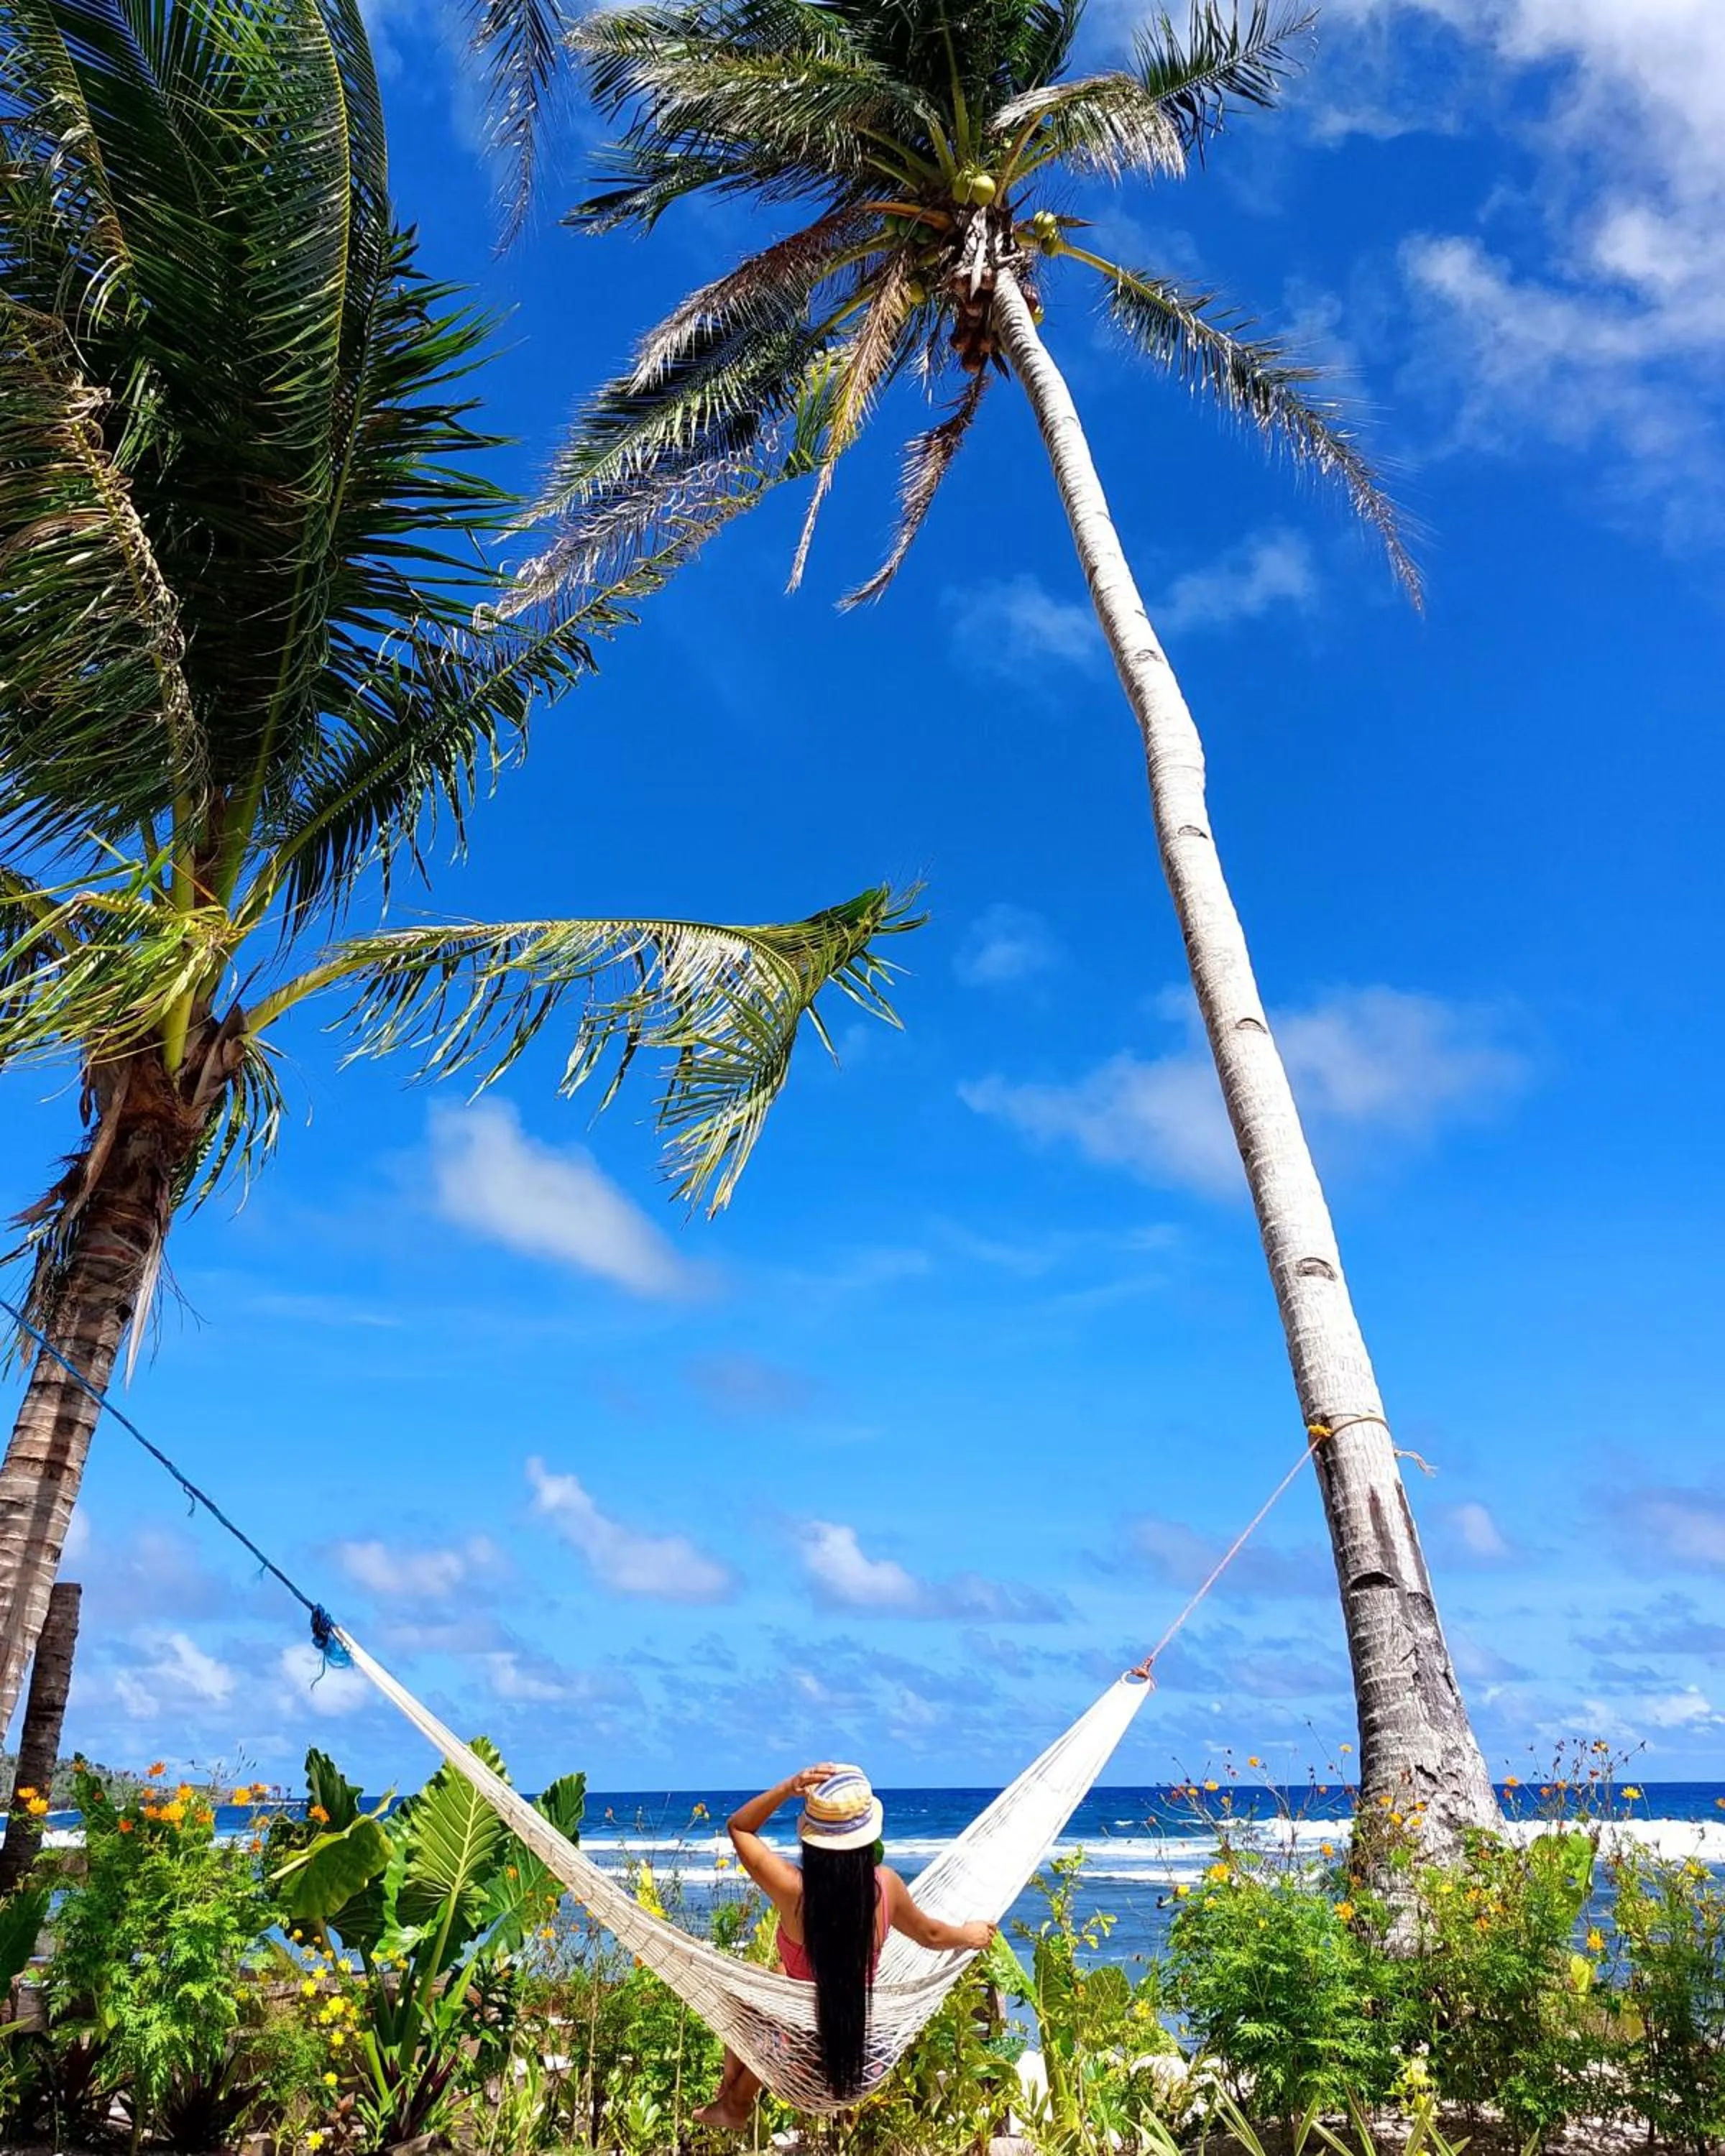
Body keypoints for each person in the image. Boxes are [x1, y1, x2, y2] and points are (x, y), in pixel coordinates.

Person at [693, 1763, 997, 2129]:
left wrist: (789, 1788)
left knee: (751, 1985)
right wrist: (969, 1934)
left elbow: (739, 1827)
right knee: (777, 1977)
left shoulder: (795, 1891)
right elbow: (931, 1935)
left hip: (799, 2057)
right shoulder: (886, 1887)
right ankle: (734, 2101)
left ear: (812, 1837)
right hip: (861, 2057)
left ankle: (735, 2098)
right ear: (869, 1837)